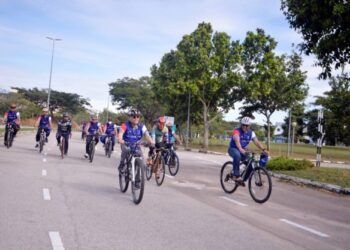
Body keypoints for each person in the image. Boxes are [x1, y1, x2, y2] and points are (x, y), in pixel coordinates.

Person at [228, 117, 268, 183]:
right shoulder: (237, 131)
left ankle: (243, 180)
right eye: (243, 125)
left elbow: (257, 142)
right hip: (233, 149)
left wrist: (263, 149)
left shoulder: (251, 133)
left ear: (250, 126)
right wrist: (240, 149)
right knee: (237, 155)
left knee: (251, 163)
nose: (245, 127)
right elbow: (236, 140)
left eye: (247, 125)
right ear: (241, 124)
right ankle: (236, 175)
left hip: (243, 150)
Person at [117, 109, 154, 174]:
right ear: (130, 117)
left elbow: (147, 134)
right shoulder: (125, 125)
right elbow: (120, 133)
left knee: (141, 160)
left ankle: (138, 180)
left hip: (136, 145)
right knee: (126, 149)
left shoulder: (142, 126)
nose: (136, 118)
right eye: (134, 116)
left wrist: (151, 141)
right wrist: (120, 139)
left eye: (138, 116)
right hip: (126, 143)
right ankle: (122, 164)